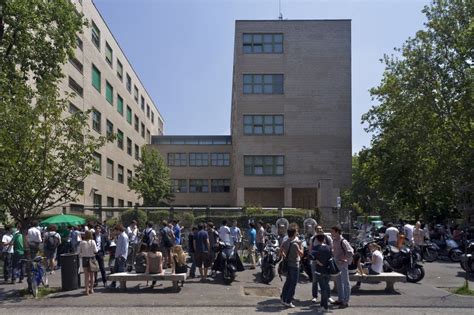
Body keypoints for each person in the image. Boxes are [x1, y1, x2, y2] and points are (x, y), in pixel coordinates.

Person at [280, 224, 303, 308]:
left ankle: (283, 298)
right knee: (293, 283)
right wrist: (301, 246)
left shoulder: (285, 242)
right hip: (295, 265)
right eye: (296, 232)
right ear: (294, 234)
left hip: (288, 264)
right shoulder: (296, 244)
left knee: (287, 282)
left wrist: (285, 255)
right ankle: (288, 301)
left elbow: (280, 251)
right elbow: (301, 254)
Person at [331, 226, 354, 309]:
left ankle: (345, 301)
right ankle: (340, 299)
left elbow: (350, 252)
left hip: (343, 265)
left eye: (332, 231)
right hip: (337, 264)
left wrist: (343, 258)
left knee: (345, 282)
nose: (331, 233)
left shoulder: (343, 241)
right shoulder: (334, 240)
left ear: (337, 232)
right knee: (339, 282)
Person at [309, 225, 333, 303]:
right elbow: (310, 251)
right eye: (317, 229)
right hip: (315, 262)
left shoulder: (327, 238)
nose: (319, 230)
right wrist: (316, 260)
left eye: (320, 228)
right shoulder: (312, 239)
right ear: (315, 230)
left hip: (326, 263)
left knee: (326, 280)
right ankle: (314, 296)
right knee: (315, 280)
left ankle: (328, 296)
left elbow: (331, 250)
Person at [108, 224, 129, 289]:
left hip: (121, 256)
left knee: (121, 271)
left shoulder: (124, 236)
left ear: (118, 230)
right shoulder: (120, 236)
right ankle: (114, 283)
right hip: (118, 256)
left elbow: (125, 247)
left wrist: (121, 255)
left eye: (116, 231)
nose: (115, 232)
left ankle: (122, 286)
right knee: (116, 270)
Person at [78, 230, 98, 295]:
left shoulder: (81, 243)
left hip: (85, 259)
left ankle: (86, 290)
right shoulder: (93, 241)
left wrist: (82, 254)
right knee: (92, 276)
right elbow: (96, 250)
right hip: (92, 258)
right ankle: (91, 289)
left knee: (86, 276)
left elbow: (79, 252)